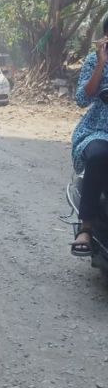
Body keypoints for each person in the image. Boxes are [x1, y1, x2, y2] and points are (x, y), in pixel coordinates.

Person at [70, 19, 108, 255]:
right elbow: (82, 99)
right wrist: (101, 65)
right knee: (98, 155)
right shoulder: (95, 60)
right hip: (98, 129)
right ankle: (86, 227)